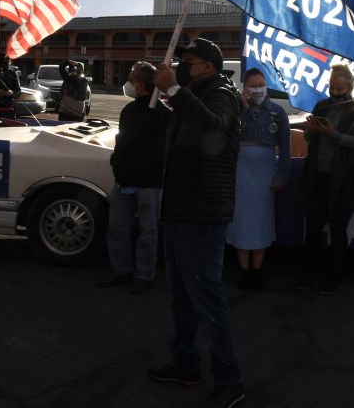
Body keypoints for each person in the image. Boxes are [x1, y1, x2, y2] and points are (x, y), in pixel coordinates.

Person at [149, 38, 245, 407]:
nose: (181, 65)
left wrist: (173, 89)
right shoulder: (193, 96)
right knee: (181, 296)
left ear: (208, 66)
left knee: (207, 297)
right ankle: (186, 363)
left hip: (203, 212)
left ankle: (230, 379)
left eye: (188, 61)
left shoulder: (223, 93)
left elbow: (214, 127)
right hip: (180, 209)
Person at [98, 62, 170, 294]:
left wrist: (146, 163)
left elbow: (162, 151)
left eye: (131, 79)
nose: (127, 84)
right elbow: (122, 143)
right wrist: (118, 165)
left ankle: (144, 274)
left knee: (148, 231)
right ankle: (121, 268)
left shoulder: (163, 115)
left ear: (140, 84)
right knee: (117, 227)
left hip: (148, 183)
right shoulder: (128, 111)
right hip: (123, 181)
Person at [300, 63, 354, 294]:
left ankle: (335, 276)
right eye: (332, 87)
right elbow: (311, 138)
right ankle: (310, 274)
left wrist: (333, 134)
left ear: (349, 87)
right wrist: (310, 130)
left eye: (339, 88)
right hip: (317, 175)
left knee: (338, 230)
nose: (335, 91)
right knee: (313, 229)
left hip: (343, 179)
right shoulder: (321, 105)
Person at [226, 68, 291, 291]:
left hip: (265, 172)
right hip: (240, 172)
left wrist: (281, 175)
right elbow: (229, 136)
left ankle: (257, 270)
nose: (257, 90)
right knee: (242, 221)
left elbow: (285, 149)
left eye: (260, 85)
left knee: (262, 221)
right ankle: (244, 270)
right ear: (244, 88)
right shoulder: (236, 111)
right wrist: (242, 109)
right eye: (252, 86)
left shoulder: (277, 112)